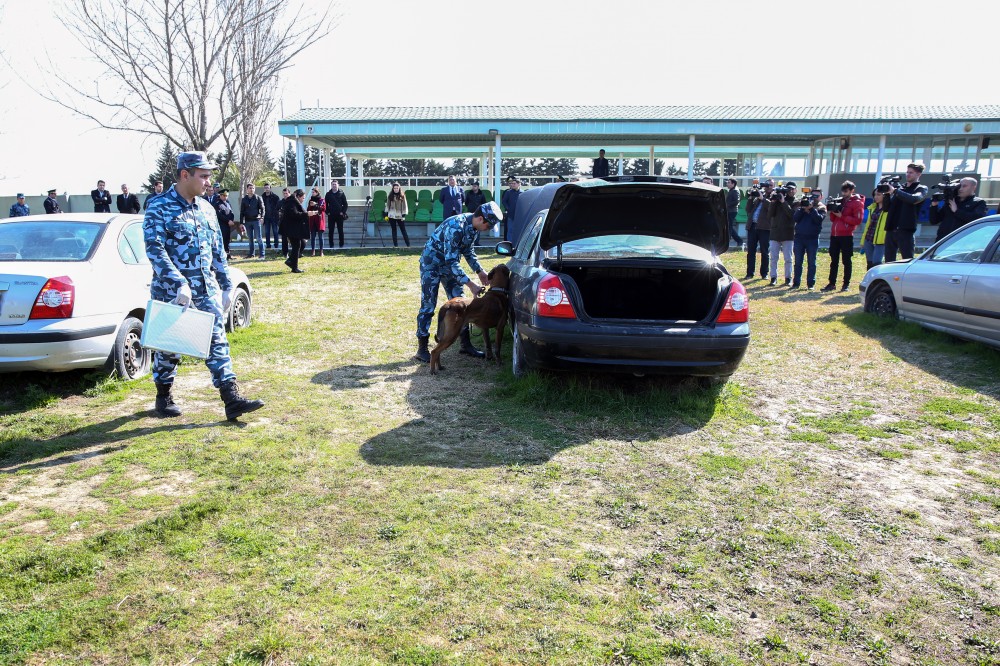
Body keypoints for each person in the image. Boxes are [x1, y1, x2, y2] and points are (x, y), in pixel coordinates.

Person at [143, 151, 264, 420]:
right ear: (185, 175)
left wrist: (225, 286)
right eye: (204, 176)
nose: (208, 182)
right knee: (168, 347)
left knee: (217, 340)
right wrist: (178, 283)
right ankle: (163, 396)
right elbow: (155, 249)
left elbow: (218, 251)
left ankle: (231, 398)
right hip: (171, 292)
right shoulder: (159, 207)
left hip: (205, 289)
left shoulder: (207, 209)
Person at [414, 201, 503, 363]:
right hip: (431, 264)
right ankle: (422, 348)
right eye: (489, 226)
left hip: (449, 267)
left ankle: (465, 344)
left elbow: (468, 251)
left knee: (460, 303)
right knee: (428, 305)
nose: (489, 229)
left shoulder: (473, 228)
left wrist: (480, 271)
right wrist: (472, 285)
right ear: (481, 219)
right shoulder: (456, 227)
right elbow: (452, 261)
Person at [820, 180, 865, 292]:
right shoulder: (840, 201)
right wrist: (834, 212)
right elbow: (833, 219)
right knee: (833, 260)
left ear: (852, 190)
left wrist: (842, 216)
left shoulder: (857, 203)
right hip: (835, 234)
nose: (844, 193)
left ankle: (846, 284)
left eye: (846, 191)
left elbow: (858, 220)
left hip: (846, 235)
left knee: (846, 260)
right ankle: (832, 283)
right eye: (843, 191)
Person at [884, 163, 928, 262]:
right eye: (907, 172)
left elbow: (914, 199)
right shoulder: (900, 188)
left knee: (907, 260)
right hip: (891, 229)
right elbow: (886, 208)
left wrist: (895, 191)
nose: (908, 175)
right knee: (888, 261)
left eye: (911, 173)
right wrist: (887, 194)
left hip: (906, 230)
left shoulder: (921, 188)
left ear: (919, 174)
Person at [931, 177, 987, 242]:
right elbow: (934, 221)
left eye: (964, 186)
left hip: (963, 243)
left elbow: (976, 219)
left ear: (974, 187)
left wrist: (956, 211)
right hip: (943, 242)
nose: (960, 189)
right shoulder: (952, 201)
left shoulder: (979, 202)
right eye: (959, 186)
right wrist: (934, 206)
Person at [791, 194, 826, 290]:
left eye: (816, 196)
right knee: (798, 262)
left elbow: (819, 219)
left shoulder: (821, 208)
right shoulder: (800, 208)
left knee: (812, 262)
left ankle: (811, 284)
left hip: (812, 238)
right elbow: (795, 218)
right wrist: (802, 209)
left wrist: (812, 210)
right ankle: (796, 283)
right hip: (799, 238)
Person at [768, 182, 797, 286]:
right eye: (788, 190)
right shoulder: (777, 201)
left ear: (795, 190)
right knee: (773, 257)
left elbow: (792, 215)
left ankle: (788, 278)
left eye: (792, 189)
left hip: (788, 233)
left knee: (788, 258)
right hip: (775, 232)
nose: (790, 191)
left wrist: (784, 202)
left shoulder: (795, 202)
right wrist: (773, 201)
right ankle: (773, 277)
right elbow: (770, 214)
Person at [743, 179, 773, 280]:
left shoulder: (774, 196)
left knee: (764, 251)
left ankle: (764, 273)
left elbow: (771, 208)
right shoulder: (758, 196)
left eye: (770, 185)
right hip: (753, 226)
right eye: (766, 185)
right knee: (751, 250)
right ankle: (750, 273)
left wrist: (763, 198)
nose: (768, 187)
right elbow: (748, 209)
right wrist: (751, 197)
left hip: (765, 228)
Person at [280, 189, 312, 273]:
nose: (303, 200)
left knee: (302, 243)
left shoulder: (293, 202)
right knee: (297, 245)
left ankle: (290, 261)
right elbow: (294, 214)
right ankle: (294, 267)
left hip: (293, 228)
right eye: (303, 198)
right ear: (298, 196)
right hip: (290, 229)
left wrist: (309, 213)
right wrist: (307, 214)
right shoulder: (291, 202)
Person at [862, 188, 890, 270]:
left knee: (877, 263)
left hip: (881, 240)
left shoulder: (888, 209)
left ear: (884, 196)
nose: (876, 197)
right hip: (869, 238)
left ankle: (877, 281)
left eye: (878, 195)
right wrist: (863, 240)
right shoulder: (873, 208)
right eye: (874, 195)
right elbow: (868, 225)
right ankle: (870, 281)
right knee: (869, 263)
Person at [239, 183, 265, 259]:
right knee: (250, 239)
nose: (251, 189)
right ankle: (251, 254)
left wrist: (262, 217)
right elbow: (242, 212)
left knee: (259, 238)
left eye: (253, 188)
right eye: (250, 188)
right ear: (247, 189)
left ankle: (262, 254)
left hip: (256, 220)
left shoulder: (258, 198)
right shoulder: (244, 199)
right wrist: (241, 223)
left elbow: (263, 208)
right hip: (247, 221)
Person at [324, 180, 349, 249]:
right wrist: (327, 212)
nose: (334, 185)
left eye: (335, 184)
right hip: (331, 215)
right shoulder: (328, 194)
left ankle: (341, 244)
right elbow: (325, 204)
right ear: (331, 185)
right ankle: (331, 245)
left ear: (338, 185)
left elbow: (345, 204)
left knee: (340, 230)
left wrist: (343, 212)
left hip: (339, 215)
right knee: (331, 231)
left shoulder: (341, 193)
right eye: (333, 184)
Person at [385, 182, 410, 247]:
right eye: (394, 188)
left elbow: (405, 205)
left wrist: (404, 214)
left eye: (397, 188)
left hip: (400, 215)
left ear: (399, 188)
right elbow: (388, 205)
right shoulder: (390, 196)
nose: (396, 189)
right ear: (392, 189)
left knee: (403, 230)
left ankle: (408, 245)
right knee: (394, 230)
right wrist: (386, 213)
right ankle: (395, 246)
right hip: (391, 215)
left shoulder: (402, 195)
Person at [215, 189, 235, 260]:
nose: (225, 197)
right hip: (222, 225)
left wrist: (231, 221)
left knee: (227, 240)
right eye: (224, 195)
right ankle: (222, 256)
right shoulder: (218, 204)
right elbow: (219, 215)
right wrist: (228, 221)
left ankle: (228, 255)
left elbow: (231, 213)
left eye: (227, 196)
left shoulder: (228, 203)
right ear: (220, 195)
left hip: (228, 225)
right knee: (223, 240)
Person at [261, 183, 281, 250]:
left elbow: (278, 206)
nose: (266, 189)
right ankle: (268, 245)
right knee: (267, 232)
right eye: (265, 188)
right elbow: (260, 207)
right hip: (266, 217)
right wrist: (261, 217)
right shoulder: (262, 197)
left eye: (268, 187)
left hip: (274, 217)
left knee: (275, 231)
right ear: (264, 189)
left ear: (270, 188)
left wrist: (277, 215)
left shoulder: (275, 197)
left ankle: (276, 245)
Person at [308, 187, 327, 256]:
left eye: (314, 192)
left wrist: (316, 204)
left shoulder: (322, 200)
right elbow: (308, 209)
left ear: (317, 192)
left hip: (319, 220)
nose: (312, 193)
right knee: (312, 237)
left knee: (320, 237)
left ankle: (321, 251)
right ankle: (313, 251)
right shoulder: (310, 200)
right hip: (312, 220)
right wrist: (311, 205)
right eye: (312, 192)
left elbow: (323, 208)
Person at [500, 176, 521, 241]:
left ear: (518, 184)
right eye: (511, 184)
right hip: (511, 215)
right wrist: (508, 208)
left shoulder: (523, 193)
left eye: (514, 183)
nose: (512, 185)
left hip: (519, 215)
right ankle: (509, 244)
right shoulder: (508, 192)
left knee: (518, 230)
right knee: (510, 230)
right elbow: (504, 201)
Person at [725, 178, 743, 247]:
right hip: (729, 210)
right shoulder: (731, 190)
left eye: (729, 182)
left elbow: (736, 201)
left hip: (731, 211)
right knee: (729, 226)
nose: (727, 184)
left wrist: (727, 205)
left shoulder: (735, 191)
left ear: (733, 184)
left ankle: (730, 241)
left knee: (729, 226)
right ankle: (738, 240)